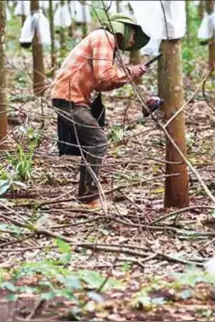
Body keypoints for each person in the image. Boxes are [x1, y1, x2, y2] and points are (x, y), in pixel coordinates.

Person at [51, 14, 150, 208]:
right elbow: (104, 74)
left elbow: (102, 84)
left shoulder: (104, 40)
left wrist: (129, 74)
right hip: (69, 97)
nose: (132, 42)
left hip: (70, 97)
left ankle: (86, 196)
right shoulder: (105, 37)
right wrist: (131, 70)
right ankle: (90, 198)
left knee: (92, 143)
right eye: (133, 36)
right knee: (97, 141)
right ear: (125, 29)